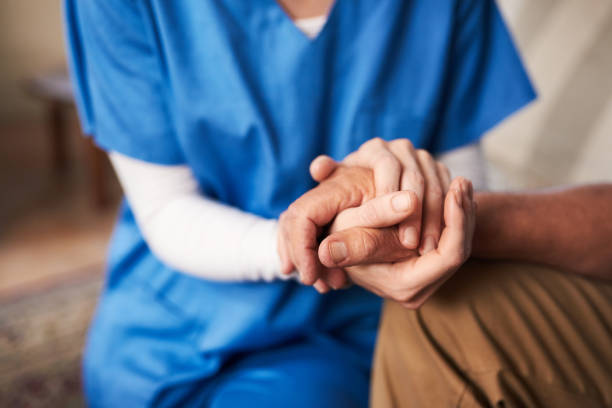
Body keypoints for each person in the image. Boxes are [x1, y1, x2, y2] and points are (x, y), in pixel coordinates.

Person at [63, 0, 534, 406]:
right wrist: (317, 244)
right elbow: (167, 208)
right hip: (182, 320)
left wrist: (415, 216)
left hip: (365, 316)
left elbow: (459, 180)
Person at [286, 151, 612, 407]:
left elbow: (459, 182)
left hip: (357, 318)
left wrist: (440, 218)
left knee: (439, 309)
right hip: (258, 313)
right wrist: (301, 235)